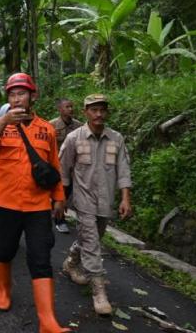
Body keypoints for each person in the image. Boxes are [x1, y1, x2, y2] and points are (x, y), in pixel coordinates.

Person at [0, 72, 70, 333]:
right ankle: (3, 290)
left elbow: (53, 166)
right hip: (6, 203)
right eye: (12, 94)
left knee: (40, 258)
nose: (17, 98)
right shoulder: (1, 123)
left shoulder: (47, 129)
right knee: (5, 250)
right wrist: (4, 120)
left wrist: (59, 198)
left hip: (38, 206)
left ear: (33, 96)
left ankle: (48, 321)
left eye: (22, 93)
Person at [60, 94, 132, 316]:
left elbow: (123, 169)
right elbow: (63, 169)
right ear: (85, 112)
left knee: (93, 236)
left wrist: (125, 198)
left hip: (105, 201)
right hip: (83, 199)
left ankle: (71, 261)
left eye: (102, 110)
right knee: (91, 240)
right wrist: (60, 198)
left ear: (106, 112)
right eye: (94, 110)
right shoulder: (74, 138)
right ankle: (98, 291)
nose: (98, 114)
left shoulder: (116, 139)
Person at [49, 98, 83, 234]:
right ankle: (60, 220)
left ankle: (57, 211)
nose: (71, 109)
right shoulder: (52, 125)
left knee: (68, 192)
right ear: (60, 109)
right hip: (57, 165)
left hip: (74, 166)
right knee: (61, 191)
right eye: (67, 107)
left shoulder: (79, 126)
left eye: (71, 106)